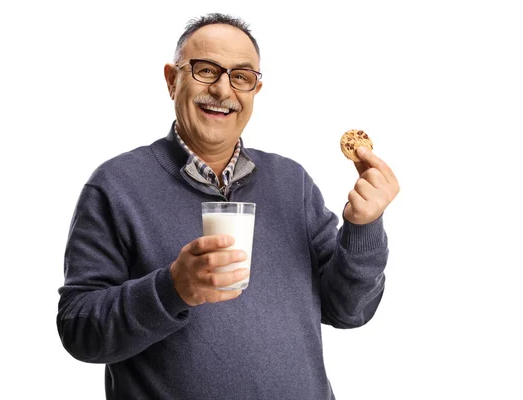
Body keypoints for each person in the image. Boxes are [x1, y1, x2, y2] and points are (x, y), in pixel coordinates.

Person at [57, 12, 400, 400]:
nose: (223, 91)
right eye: (206, 70)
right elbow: (78, 328)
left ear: (255, 89)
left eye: (241, 76)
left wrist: (363, 229)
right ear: (172, 80)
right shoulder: (116, 185)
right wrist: (172, 289)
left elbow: (349, 311)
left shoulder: (292, 182)